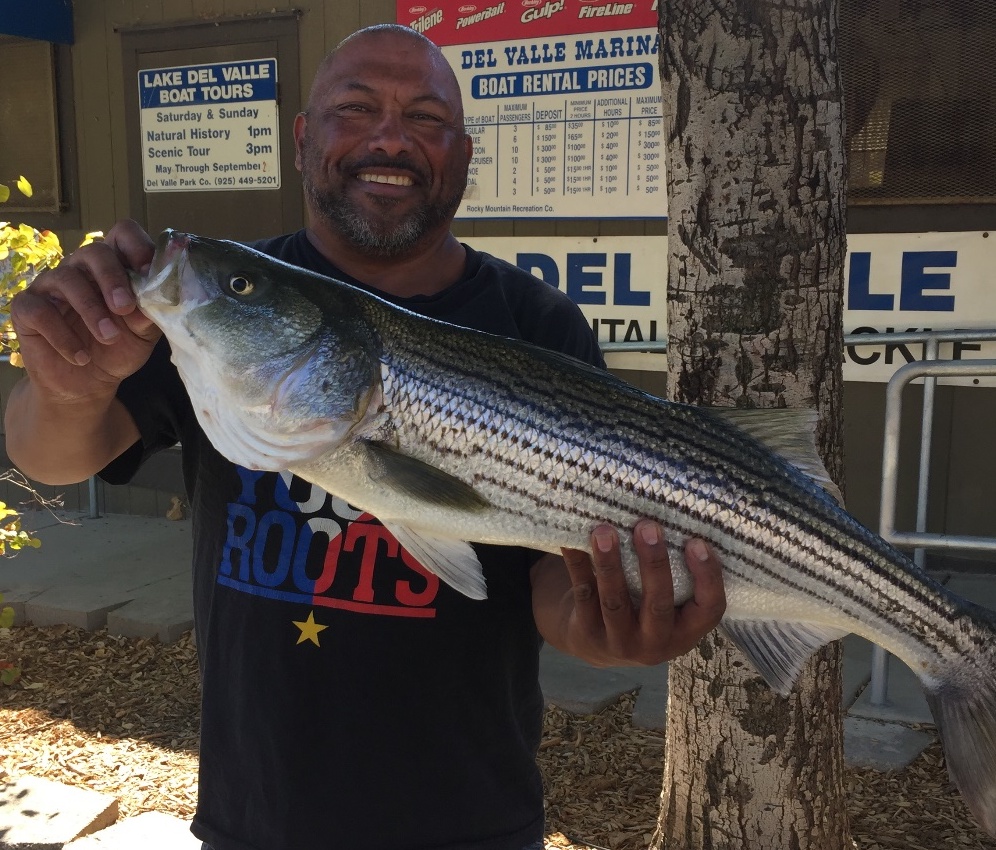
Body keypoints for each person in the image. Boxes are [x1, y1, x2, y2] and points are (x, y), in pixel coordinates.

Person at [5, 24, 726, 850]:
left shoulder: (537, 325)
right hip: (257, 811)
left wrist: (601, 628)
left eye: (425, 118)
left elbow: (550, 575)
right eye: (356, 107)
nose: (389, 136)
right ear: (305, 138)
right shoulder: (222, 314)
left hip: (470, 815)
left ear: (461, 155)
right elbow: (51, 455)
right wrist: (72, 384)